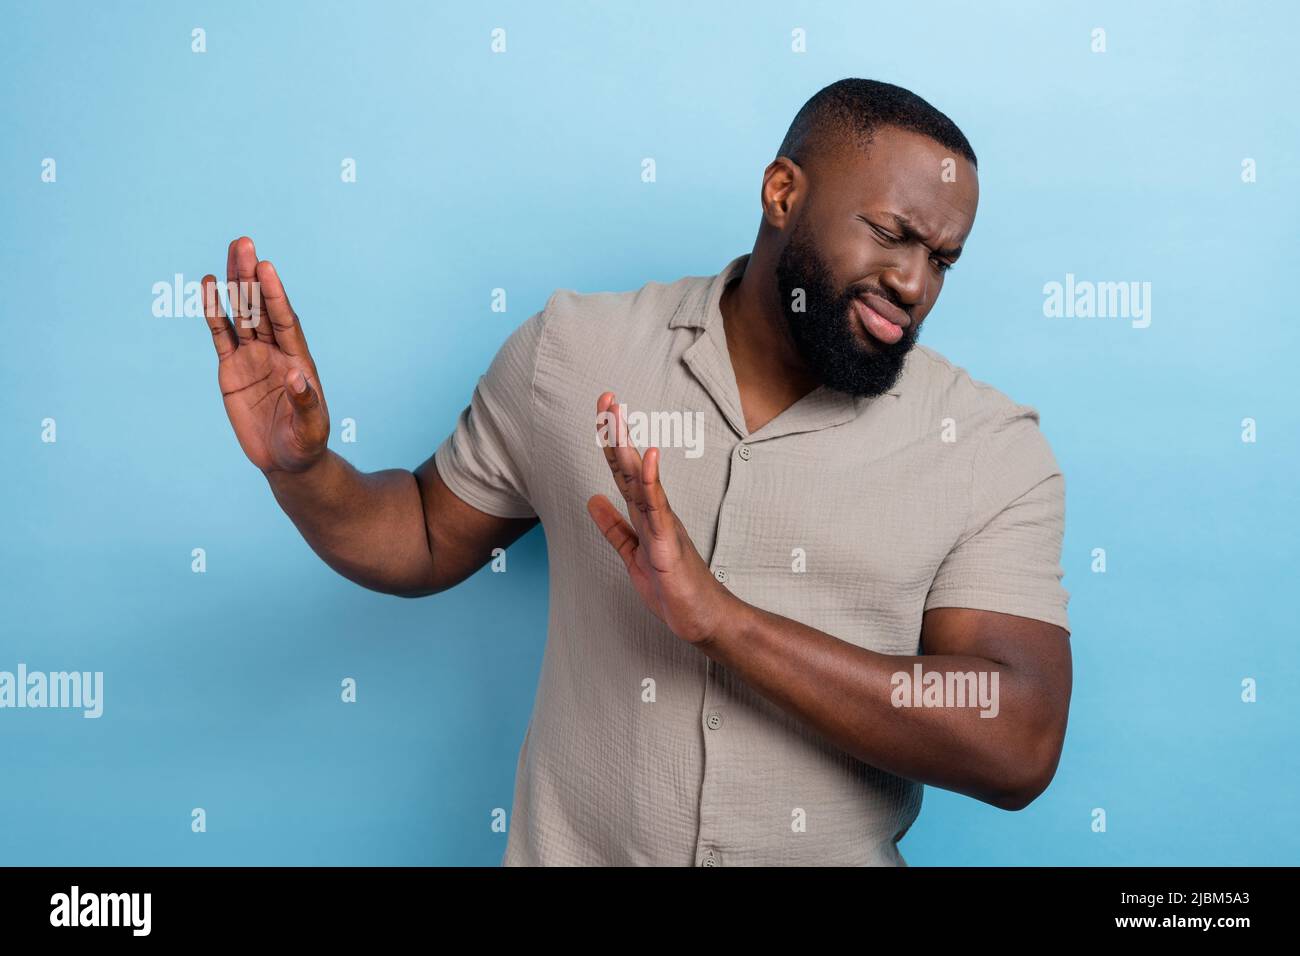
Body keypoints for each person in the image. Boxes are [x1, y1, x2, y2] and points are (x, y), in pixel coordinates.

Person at [200, 78, 1072, 866]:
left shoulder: (987, 446)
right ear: (782, 193)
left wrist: (724, 623)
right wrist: (304, 470)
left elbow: (1018, 738)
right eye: (891, 234)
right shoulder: (576, 349)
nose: (914, 282)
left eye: (943, 259)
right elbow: (423, 535)